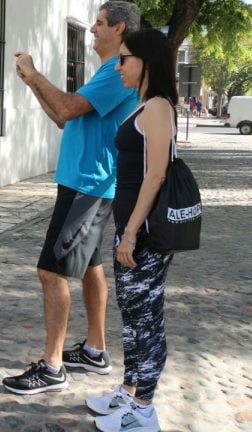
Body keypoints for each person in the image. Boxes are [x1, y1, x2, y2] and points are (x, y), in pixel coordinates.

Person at [2, 1, 141, 394]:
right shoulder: (106, 72)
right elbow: (65, 117)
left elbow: (65, 105)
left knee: (51, 271)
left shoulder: (116, 72)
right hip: (85, 182)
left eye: (99, 24)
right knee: (91, 265)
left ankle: (52, 366)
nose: (92, 30)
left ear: (118, 29)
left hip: (88, 184)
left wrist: (35, 73)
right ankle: (95, 350)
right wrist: (32, 83)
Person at [86, 29, 177, 432]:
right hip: (132, 230)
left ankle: (143, 410)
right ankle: (128, 390)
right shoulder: (144, 106)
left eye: (124, 59)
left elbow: (156, 175)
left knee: (146, 320)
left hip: (144, 236)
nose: (118, 65)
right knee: (133, 316)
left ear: (146, 62)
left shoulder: (157, 106)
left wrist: (131, 233)